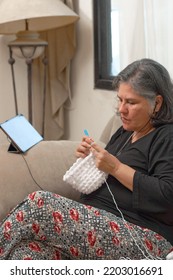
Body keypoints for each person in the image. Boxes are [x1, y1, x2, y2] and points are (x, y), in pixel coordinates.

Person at [0, 58, 173, 260]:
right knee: (27, 252)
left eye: (131, 102)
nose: (121, 110)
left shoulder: (166, 136)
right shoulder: (125, 132)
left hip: (144, 238)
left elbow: (167, 195)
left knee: (39, 203)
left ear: (157, 103)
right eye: (120, 100)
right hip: (95, 228)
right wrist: (92, 159)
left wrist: (116, 167)